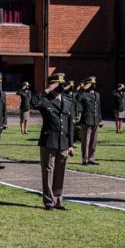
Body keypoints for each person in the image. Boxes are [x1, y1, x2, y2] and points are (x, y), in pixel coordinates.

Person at [32, 73, 74, 210]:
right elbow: (32, 103)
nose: (61, 87)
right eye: (58, 84)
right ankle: (49, 201)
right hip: (49, 141)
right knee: (48, 171)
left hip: (63, 142)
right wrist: (47, 90)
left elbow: (70, 125)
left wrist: (71, 144)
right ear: (52, 85)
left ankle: (58, 200)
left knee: (60, 172)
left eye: (62, 84)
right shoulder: (45, 101)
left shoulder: (68, 101)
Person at [76, 76, 103, 165]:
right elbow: (77, 99)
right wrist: (82, 89)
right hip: (87, 120)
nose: (93, 85)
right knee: (85, 142)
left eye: (94, 84)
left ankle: (92, 158)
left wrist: (100, 119)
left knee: (93, 141)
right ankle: (85, 159)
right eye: (91, 84)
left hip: (95, 121)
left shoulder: (97, 94)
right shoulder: (83, 94)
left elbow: (98, 108)